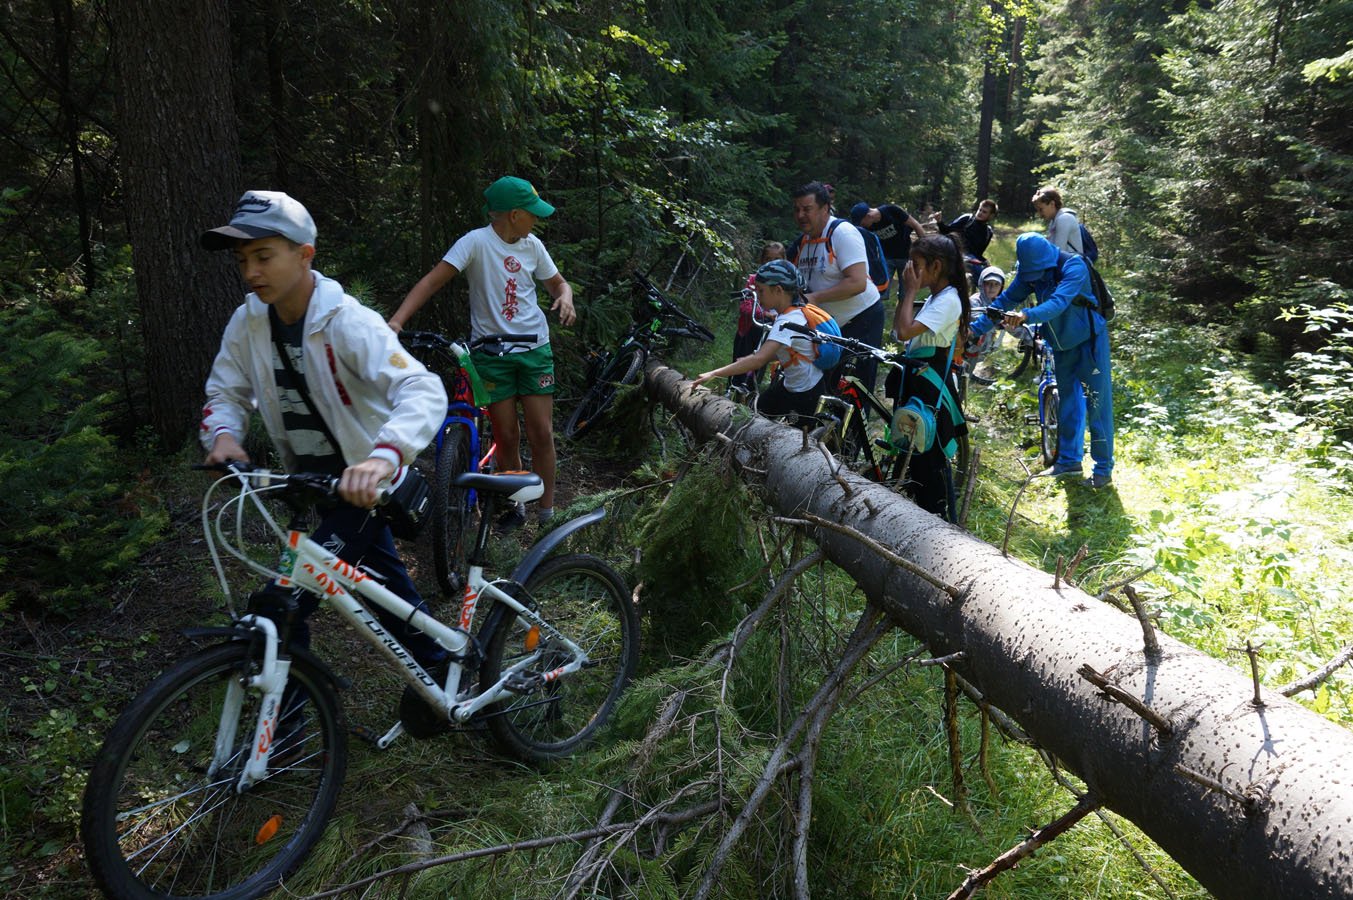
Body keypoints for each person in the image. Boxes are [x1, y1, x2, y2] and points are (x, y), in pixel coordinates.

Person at [199, 190, 450, 685]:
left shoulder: (347, 321)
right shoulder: (248, 322)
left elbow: (422, 387)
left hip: (365, 485)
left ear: (304, 254)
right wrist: (224, 435)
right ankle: (442, 665)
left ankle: (283, 745)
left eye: (264, 256)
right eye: (243, 259)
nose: (251, 272)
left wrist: (382, 458)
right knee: (387, 590)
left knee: (280, 606)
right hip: (316, 484)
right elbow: (225, 390)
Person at [387, 176, 575, 531]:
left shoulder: (532, 246)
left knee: (541, 432)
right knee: (506, 433)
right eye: (532, 214)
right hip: (491, 354)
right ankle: (516, 506)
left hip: (535, 350)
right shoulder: (475, 243)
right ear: (514, 214)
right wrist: (397, 321)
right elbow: (432, 281)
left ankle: (548, 513)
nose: (536, 220)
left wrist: (565, 296)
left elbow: (558, 283)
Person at [974, 233, 1113, 488]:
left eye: (1037, 274)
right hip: (1061, 344)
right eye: (1030, 275)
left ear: (1047, 262)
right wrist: (973, 330)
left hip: (1089, 341)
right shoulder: (1031, 275)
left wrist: (1026, 315)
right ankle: (1069, 461)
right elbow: (1003, 302)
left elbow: (1058, 304)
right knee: (1068, 402)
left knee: (1097, 403)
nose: (1034, 280)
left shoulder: (1074, 266)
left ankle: (1103, 470)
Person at [889, 233, 971, 520]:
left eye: (916, 263)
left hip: (930, 381)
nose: (910, 269)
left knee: (926, 451)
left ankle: (933, 519)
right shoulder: (938, 297)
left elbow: (903, 331)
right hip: (918, 376)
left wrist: (908, 290)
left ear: (936, 266)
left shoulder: (948, 301)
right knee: (912, 446)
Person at [693, 260, 826, 419]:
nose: (757, 295)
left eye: (761, 291)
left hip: (806, 393)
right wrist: (748, 360)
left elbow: (759, 360)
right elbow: (783, 351)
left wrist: (714, 373)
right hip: (795, 386)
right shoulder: (795, 312)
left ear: (778, 290)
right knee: (758, 414)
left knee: (800, 437)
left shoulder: (787, 322)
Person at [790, 182, 884, 394]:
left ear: (825, 208)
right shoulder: (803, 243)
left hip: (862, 319)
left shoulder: (842, 233)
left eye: (807, 209)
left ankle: (857, 427)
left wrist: (816, 297)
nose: (801, 215)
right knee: (826, 388)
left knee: (854, 390)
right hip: (828, 327)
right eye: (796, 209)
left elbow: (858, 282)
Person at [730, 242, 784, 393]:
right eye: (767, 259)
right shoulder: (754, 280)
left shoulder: (785, 284)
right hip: (748, 329)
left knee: (760, 366)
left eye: (776, 259)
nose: (771, 263)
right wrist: (766, 314)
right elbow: (746, 306)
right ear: (761, 261)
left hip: (771, 331)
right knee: (738, 365)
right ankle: (732, 389)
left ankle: (752, 393)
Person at [848, 201, 929, 278]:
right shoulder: (868, 227)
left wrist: (926, 248)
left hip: (905, 256)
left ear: (869, 216)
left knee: (905, 289)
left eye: (862, 223)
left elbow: (915, 225)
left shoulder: (892, 211)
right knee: (883, 289)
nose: (862, 226)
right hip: (886, 259)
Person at [937, 198, 999, 263]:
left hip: (972, 259)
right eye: (980, 210)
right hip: (956, 253)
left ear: (991, 216)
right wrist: (939, 222)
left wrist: (984, 261)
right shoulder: (967, 219)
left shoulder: (988, 232)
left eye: (984, 212)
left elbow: (979, 253)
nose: (980, 213)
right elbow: (946, 231)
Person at [1031, 186, 1084, 255]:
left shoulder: (1064, 219)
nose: (1040, 214)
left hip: (1073, 264)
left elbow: (1058, 251)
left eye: (1041, 209)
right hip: (1067, 263)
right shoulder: (1054, 221)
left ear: (1052, 204)